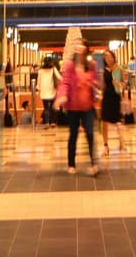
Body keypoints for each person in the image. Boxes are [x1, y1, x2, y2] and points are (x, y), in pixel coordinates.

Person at [56, 42, 100, 176]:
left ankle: (94, 163)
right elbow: (65, 82)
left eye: (82, 46)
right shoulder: (70, 65)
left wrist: (94, 85)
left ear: (86, 49)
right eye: (77, 46)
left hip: (87, 106)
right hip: (73, 106)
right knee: (73, 134)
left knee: (90, 134)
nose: (79, 49)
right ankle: (71, 164)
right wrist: (62, 96)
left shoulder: (91, 64)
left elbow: (96, 81)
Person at [99, 50, 124, 154]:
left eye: (110, 56)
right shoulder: (103, 70)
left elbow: (124, 84)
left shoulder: (119, 69)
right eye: (106, 57)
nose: (108, 59)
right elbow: (102, 86)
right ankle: (105, 146)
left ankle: (121, 142)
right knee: (104, 121)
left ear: (113, 57)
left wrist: (119, 84)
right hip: (106, 97)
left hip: (115, 97)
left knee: (117, 121)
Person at [37, 54, 58, 125]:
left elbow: (38, 81)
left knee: (46, 108)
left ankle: (46, 122)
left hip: (44, 92)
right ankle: (52, 122)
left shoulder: (40, 71)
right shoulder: (53, 69)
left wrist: (39, 90)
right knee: (53, 107)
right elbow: (59, 77)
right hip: (52, 91)